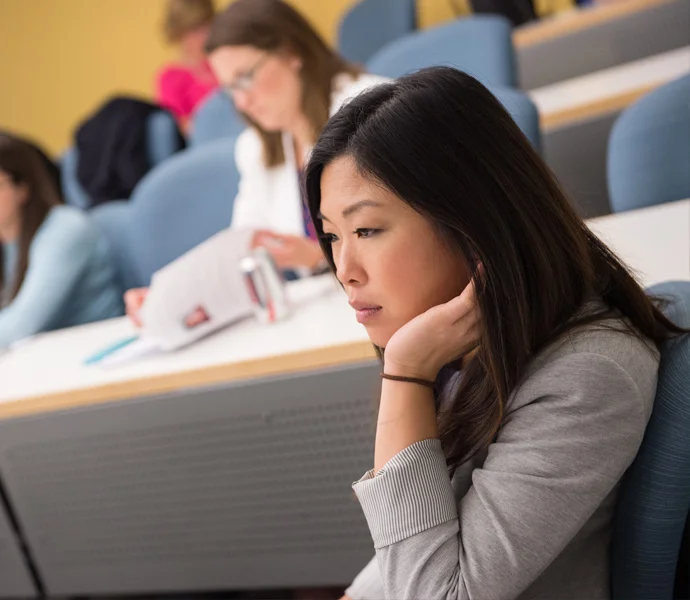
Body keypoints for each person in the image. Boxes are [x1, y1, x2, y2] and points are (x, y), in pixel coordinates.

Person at [304, 67, 687, 600]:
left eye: (367, 229)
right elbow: (425, 541)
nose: (344, 268)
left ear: (470, 220)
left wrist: (406, 376)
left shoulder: (585, 374)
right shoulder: (468, 343)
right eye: (331, 236)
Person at [126, 0, 385, 326]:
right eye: (229, 89)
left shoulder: (373, 108)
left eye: (245, 78)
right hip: (338, 317)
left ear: (291, 53)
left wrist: (319, 258)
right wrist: (169, 301)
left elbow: (412, 238)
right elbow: (240, 253)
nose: (242, 102)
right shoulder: (257, 148)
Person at [0, 134, 123, 348]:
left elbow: (20, 325)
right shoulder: (7, 242)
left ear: (23, 188)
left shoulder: (65, 230)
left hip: (94, 354)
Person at [156, 0, 218, 133]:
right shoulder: (170, 77)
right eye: (196, 29)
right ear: (180, 32)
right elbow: (181, 128)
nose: (205, 35)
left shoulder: (221, 62)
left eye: (209, 25)